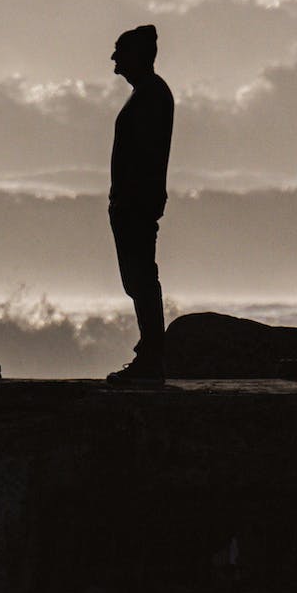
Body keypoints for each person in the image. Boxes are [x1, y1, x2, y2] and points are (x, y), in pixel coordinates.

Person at [106, 24, 173, 384]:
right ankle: (150, 353)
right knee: (138, 279)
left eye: (120, 51)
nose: (114, 58)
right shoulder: (149, 94)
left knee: (142, 278)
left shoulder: (151, 96)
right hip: (134, 203)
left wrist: (131, 200)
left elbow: (145, 158)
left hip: (136, 205)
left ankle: (151, 358)